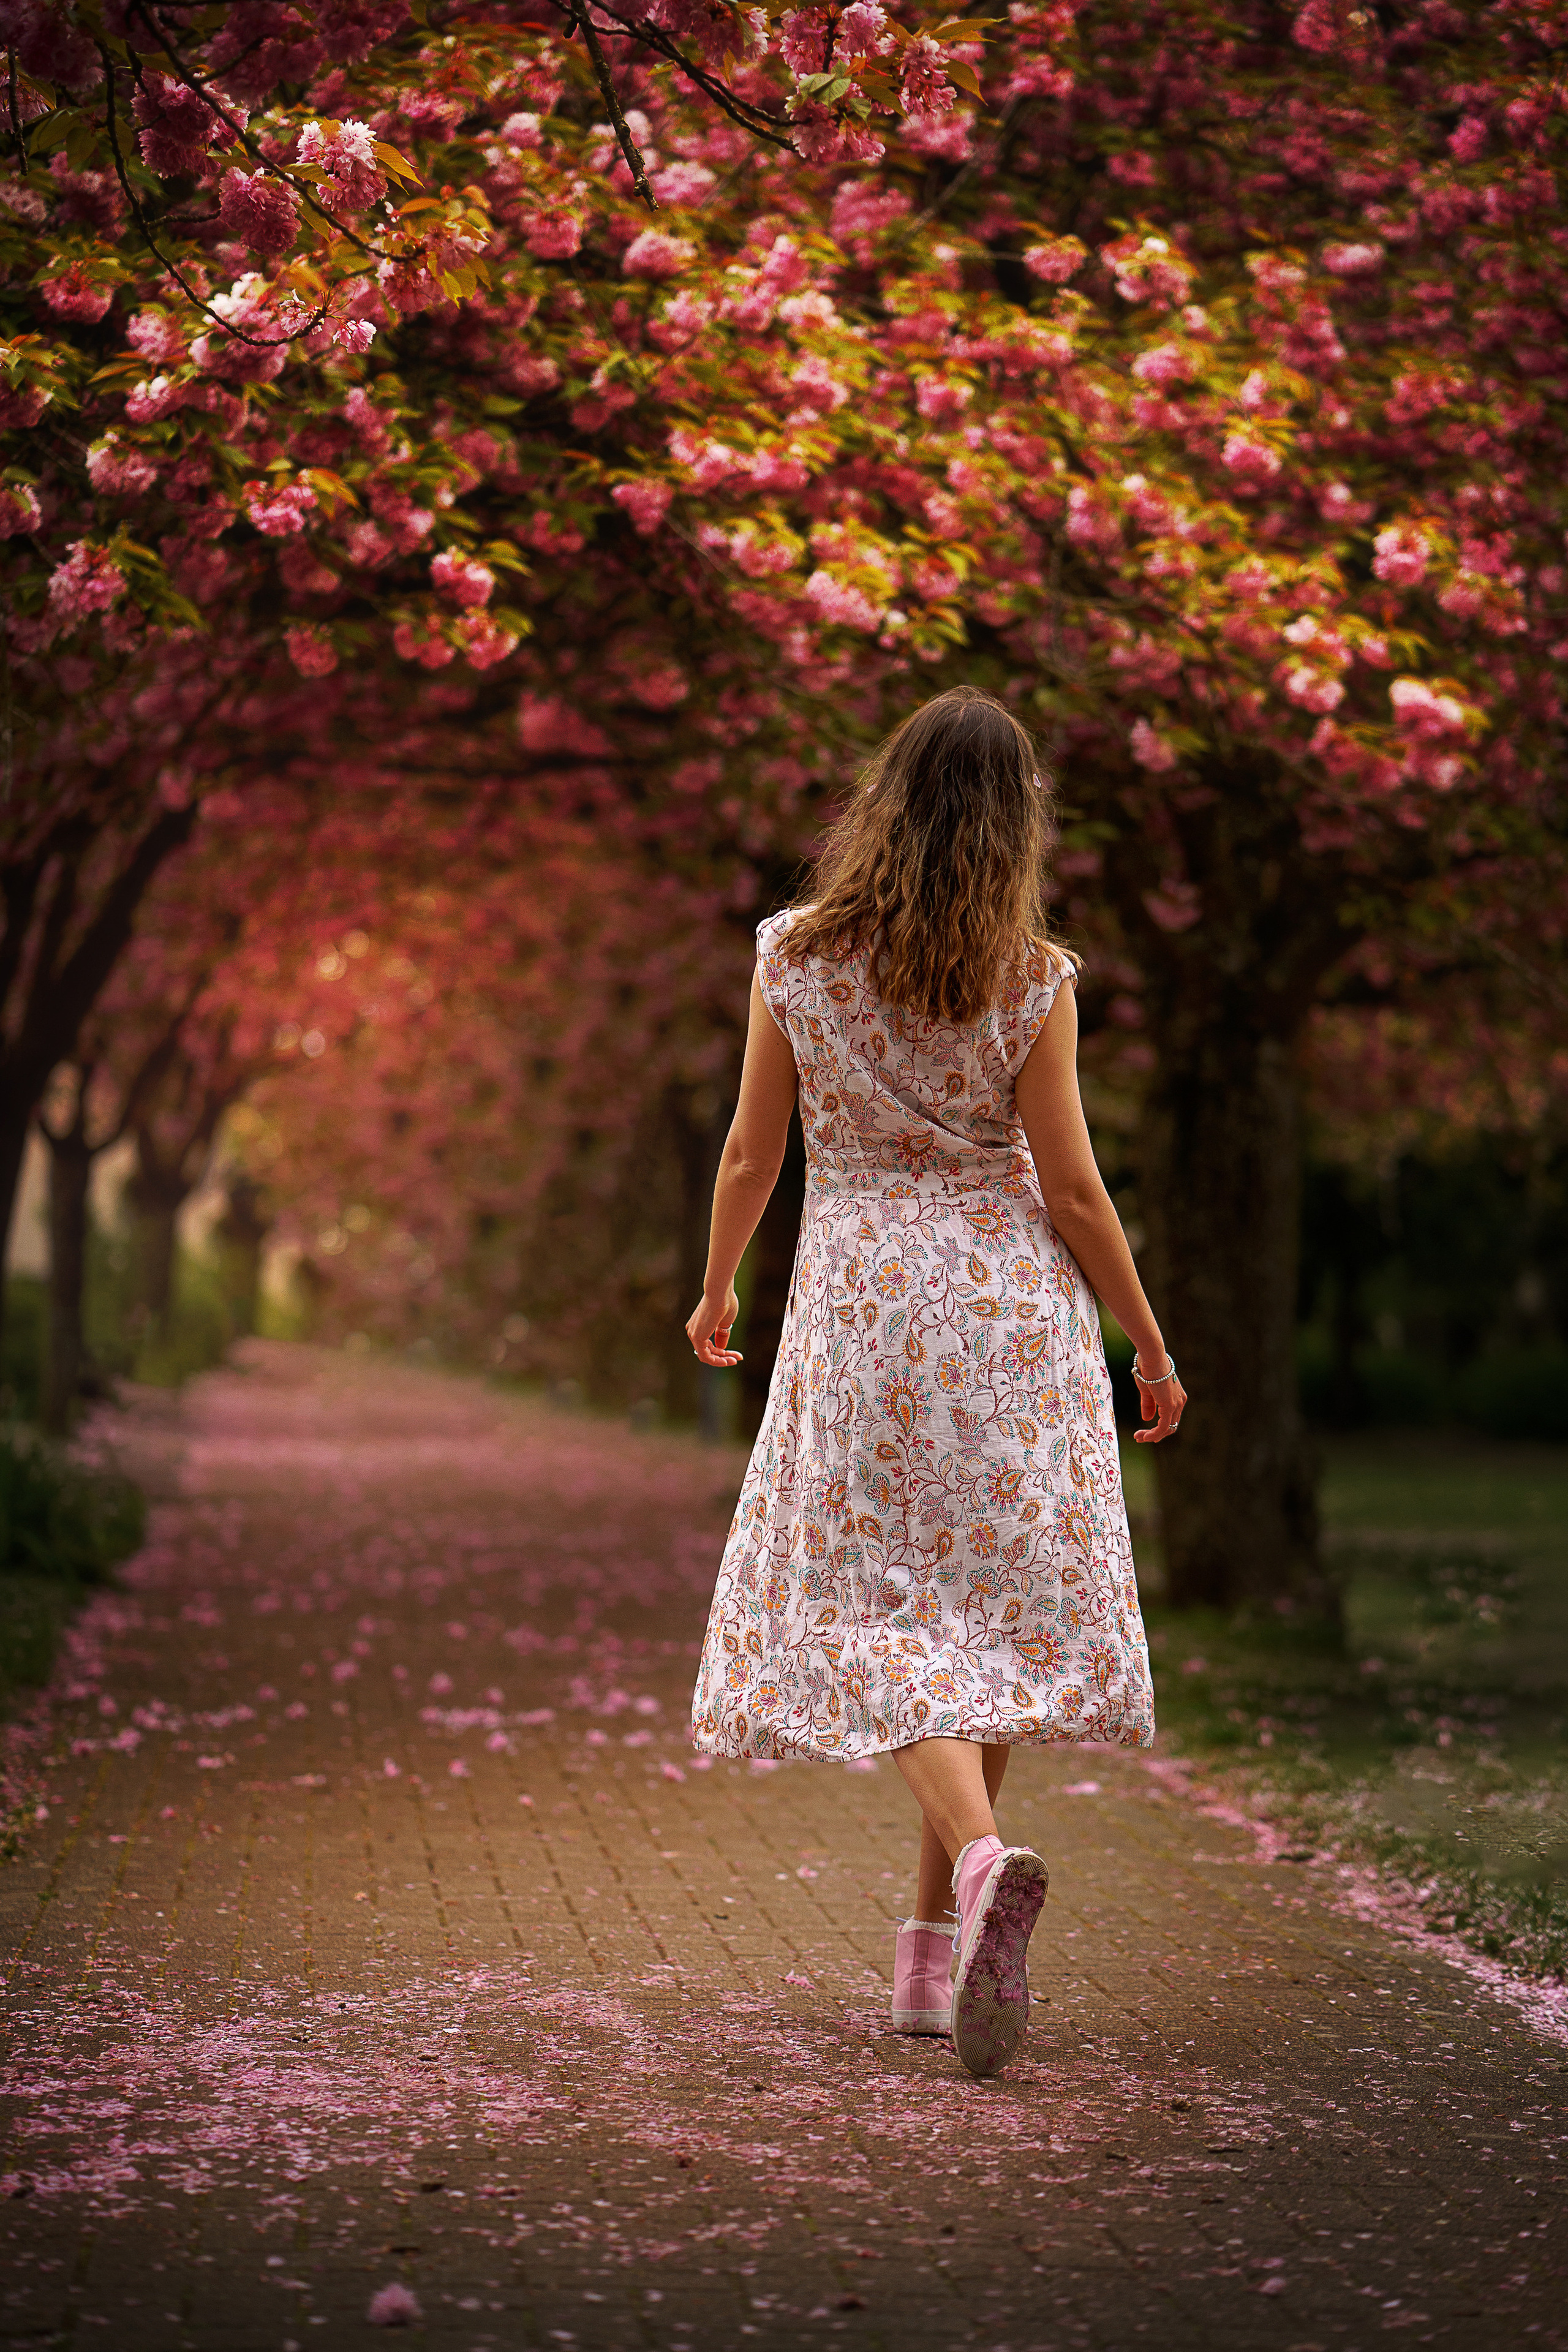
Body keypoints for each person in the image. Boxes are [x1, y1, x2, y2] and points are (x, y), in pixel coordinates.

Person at [685, 687, 1185, 2078]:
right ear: (1015, 824)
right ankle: (961, 1894)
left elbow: (753, 1151)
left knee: (873, 1606)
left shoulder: (793, 956)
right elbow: (1072, 1190)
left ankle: (945, 1924)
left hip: (862, 1312)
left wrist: (718, 1285)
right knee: (984, 1623)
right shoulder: (1034, 978)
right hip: (1010, 1322)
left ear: (885, 803)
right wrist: (1146, 1343)